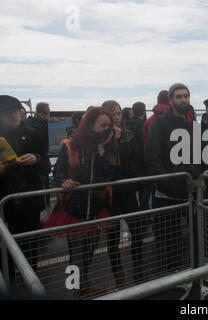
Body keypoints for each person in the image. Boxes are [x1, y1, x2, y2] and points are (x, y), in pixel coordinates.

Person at [44, 107, 119, 298]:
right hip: (74, 208)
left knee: (90, 249)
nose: (107, 129)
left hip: (96, 207)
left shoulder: (108, 147)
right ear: (90, 126)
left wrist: (102, 150)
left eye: (109, 125)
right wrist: (63, 181)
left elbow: (112, 175)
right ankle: (75, 289)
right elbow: (58, 170)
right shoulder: (71, 145)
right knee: (75, 253)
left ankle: (83, 285)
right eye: (103, 125)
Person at [144, 83, 202, 272]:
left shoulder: (191, 125)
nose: (183, 99)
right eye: (179, 96)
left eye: (186, 96)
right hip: (168, 194)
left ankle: (197, 271)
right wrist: (168, 183)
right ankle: (174, 277)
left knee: (197, 234)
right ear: (171, 100)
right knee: (170, 240)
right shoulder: (159, 124)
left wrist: (196, 177)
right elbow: (153, 157)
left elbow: (197, 155)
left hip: (190, 191)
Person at [0, 95, 51, 288]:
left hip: (29, 205)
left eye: (17, 111)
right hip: (4, 207)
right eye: (8, 113)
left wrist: (36, 160)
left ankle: (31, 286)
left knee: (30, 253)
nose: (15, 116)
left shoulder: (33, 135)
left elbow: (46, 167)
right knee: (5, 259)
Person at [102, 100, 146, 284]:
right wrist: (114, 141)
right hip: (110, 194)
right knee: (112, 238)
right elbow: (104, 165)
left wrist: (134, 184)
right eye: (113, 114)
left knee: (137, 231)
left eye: (119, 113)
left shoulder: (130, 135)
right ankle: (118, 275)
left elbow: (136, 161)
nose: (117, 117)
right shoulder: (99, 139)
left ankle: (138, 268)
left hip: (127, 192)